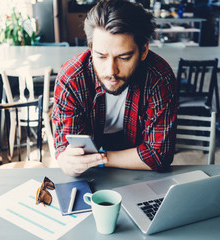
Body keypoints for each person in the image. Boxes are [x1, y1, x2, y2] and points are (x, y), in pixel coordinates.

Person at [52, 0, 177, 177]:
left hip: (139, 174)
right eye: (101, 57)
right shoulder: (71, 79)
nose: (111, 71)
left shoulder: (158, 77)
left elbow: (159, 155)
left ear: (143, 51)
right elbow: (66, 151)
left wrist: (99, 158)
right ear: (90, 48)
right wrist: (68, 162)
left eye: (124, 57)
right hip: (107, 170)